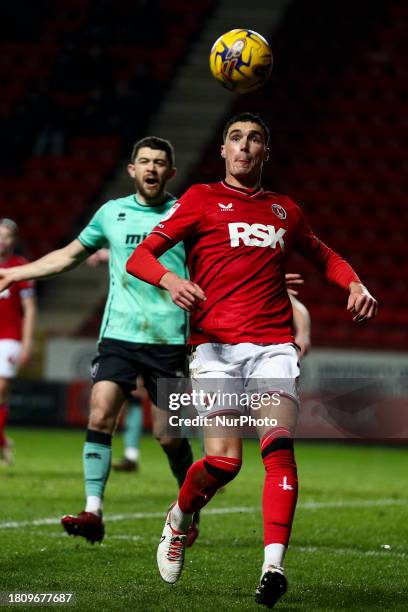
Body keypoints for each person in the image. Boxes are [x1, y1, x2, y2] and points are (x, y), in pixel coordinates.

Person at [126, 112, 378, 608]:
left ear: (267, 151)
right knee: (223, 462)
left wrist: (353, 282)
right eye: (235, 138)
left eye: (254, 139)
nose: (244, 146)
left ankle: (273, 566)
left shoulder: (286, 211)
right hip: (214, 349)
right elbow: (143, 257)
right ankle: (179, 520)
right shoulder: (199, 199)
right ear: (223, 150)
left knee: (279, 449)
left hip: (273, 346)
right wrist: (172, 281)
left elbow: (324, 255)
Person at [0, 137, 199, 546]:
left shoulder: (185, 214)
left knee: (169, 437)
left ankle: (189, 508)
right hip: (118, 337)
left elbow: (217, 262)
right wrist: (18, 274)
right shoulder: (112, 213)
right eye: (144, 161)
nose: (151, 169)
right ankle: (93, 510)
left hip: (169, 340)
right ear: (131, 169)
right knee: (100, 413)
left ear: (171, 173)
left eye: (160, 163)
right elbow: (70, 254)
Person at [87, 248, 144, 472]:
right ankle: (131, 454)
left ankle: (209, 460)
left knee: (186, 399)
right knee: (134, 396)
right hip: (128, 332)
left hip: (167, 330)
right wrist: (104, 254)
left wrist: (104, 254)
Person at [0, 218, 36, 465]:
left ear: (15, 240)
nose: (2, 240)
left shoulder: (20, 267)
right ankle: (2, 441)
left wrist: (27, 342)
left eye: (7, 236)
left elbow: (30, 308)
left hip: (10, 337)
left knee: (1, 389)